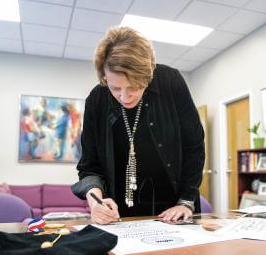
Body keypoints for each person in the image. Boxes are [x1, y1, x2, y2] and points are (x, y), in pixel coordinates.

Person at [71, 26, 205, 225]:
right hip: (118, 211)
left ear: (148, 75)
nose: (124, 97)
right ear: (104, 77)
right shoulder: (96, 101)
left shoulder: (171, 82)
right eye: (115, 88)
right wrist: (95, 200)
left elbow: (194, 147)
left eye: (134, 86)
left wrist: (186, 201)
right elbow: (89, 166)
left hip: (175, 206)